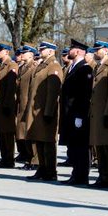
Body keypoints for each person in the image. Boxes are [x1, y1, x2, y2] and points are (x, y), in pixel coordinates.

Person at [27, 42, 63, 181]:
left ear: (51, 51)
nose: (39, 51)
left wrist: (49, 111)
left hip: (46, 110)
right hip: (37, 110)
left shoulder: (54, 66)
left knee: (48, 142)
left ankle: (50, 171)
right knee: (39, 141)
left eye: (42, 49)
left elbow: (53, 92)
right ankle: (42, 168)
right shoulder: (42, 65)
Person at [60, 39, 94, 186]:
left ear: (79, 51)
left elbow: (84, 95)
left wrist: (80, 115)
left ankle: (82, 175)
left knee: (80, 146)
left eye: (72, 48)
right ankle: (76, 173)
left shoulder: (85, 68)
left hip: (77, 114)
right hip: (70, 113)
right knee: (73, 145)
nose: (69, 50)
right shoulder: (73, 67)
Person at [88, 39, 108, 188]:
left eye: (98, 49)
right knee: (99, 146)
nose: (95, 52)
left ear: (106, 50)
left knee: (107, 147)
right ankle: (102, 175)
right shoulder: (97, 67)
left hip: (106, 113)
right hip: (97, 113)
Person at [0, 43, 19, 168]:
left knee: (7, 133)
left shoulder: (11, 65)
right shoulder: (0, 65)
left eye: (0, 50)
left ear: (7, 52)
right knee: (1, 132)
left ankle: (9, 159)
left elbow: (11, 87)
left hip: (6, 103)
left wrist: (8, 104)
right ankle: (4, 158)